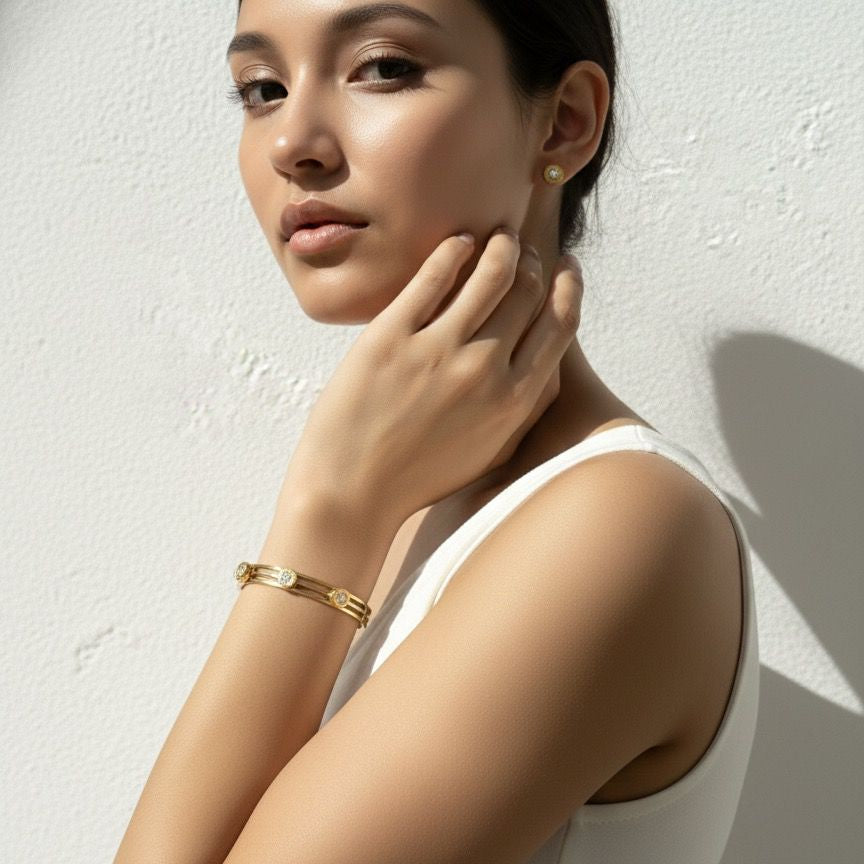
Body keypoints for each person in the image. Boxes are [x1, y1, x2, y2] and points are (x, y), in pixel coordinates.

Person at [114, 2, 759, 863]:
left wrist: (331, 504)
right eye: (261, 88)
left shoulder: (624, 522)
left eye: (382, 67)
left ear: (565, 123)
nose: (290, 142)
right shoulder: (420, 501)